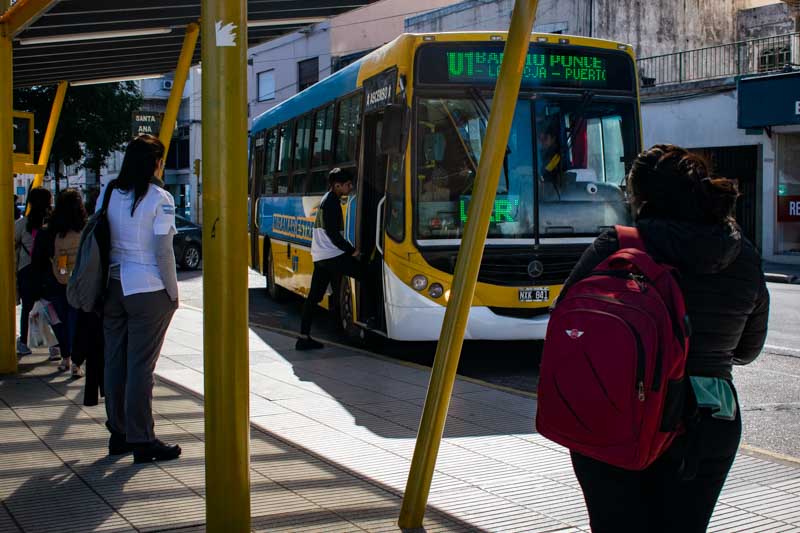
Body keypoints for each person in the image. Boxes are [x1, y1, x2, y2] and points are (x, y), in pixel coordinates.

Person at [558, 144, 769, 532]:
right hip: (709, 416)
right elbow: (748, 350)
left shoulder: (617, 247)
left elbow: (567, 318)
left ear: (641, 197)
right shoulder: (744, 255)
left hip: (616, 409)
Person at [103, 134, 181, 463]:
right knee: (140, 368)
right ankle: (142, 438)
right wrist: (173, 293)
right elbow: (163, 252)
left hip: (112, 287)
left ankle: (119, 433)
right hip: (148, 288)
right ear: (154, 163)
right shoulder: (160, 198)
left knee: (115, 362)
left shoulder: (109, 192)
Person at [297, 167, 365, 350]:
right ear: (337, 186)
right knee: (366, 274)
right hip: (332, 255)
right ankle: (369, 320)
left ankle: (304, 336)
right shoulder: (332, 203)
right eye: (348, 185)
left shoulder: (327, 200)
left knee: (316, 296)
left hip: (322, 256)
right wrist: (352, 251)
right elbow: (334, 234)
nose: (350, 187)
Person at [31, 189, 87, 377]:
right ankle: (77, 364)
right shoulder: (85, 230)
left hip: (52, 284)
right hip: (78, 284)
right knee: (76, 322)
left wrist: (36, 288)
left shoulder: (47, 232)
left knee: (58, 321)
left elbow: (37, 261)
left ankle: (65, 357)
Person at [14, 187, 52, 357]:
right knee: (51, 307)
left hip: (26, 270)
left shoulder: (22, 224)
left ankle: (23, 342)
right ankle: (55, 345)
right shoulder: (52, 224)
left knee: (27, 307)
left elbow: (13, 243)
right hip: (48, 270)